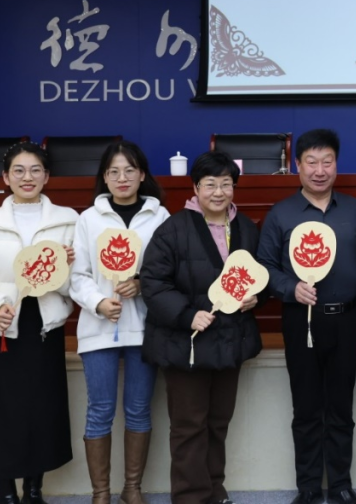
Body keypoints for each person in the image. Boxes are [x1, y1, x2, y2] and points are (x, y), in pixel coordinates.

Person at [0, 142, 78, 504]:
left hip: (45, 327)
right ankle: (5, 494)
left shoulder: (68, 221)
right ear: (5, 177)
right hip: (3, 327)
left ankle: (33, 490)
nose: (27, 177)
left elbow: (82, 280)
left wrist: (66, 266)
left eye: (35, 170)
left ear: (47, 176)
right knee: (0, 413)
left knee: (42, 409)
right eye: (18, 170)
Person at [257, 129, 356, 504]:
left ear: (337, 165)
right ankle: (308, 487)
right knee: (306, 407)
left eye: (327, 162)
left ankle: (340, 485)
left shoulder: (355, 210)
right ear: (298, 165)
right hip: (300, 320)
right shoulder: (281, 213)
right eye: (312, 162)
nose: (320, 170)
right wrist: (290, 287)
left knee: (341, 407)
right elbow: (265, 266)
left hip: (348, 320)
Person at [141, 151, 263, 504]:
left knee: (218, 422)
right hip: (187, 342)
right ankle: (190, 497)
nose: (219, 192)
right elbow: (153, 283)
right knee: (189, 426)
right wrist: (186, 314)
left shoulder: (246, 228)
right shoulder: (173, 229)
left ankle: (214, 491)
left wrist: (257, 296)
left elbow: (261, 274)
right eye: (210, 184)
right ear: (195, 188)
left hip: (229, 340)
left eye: (226, 184)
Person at [69, 141, 169, 504]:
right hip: (98, 329)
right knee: (100, 410)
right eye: (114, 172)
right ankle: (100, 493)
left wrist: (141, 283)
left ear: (142, 175)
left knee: (138, 409)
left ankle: (132, 489)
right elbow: (77, 275)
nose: (122, 178)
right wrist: (98, 303)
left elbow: (168, 269)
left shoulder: (160, 217)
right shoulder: (88, 219)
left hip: (144, 328)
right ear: (104, 177)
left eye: (129, 170)